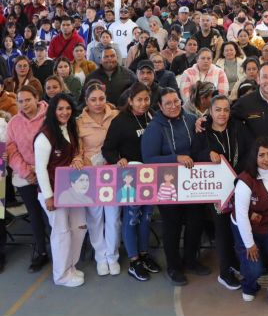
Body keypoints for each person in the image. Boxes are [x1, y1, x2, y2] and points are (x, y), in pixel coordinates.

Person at [141, 88, 211, 286]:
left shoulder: (191, 119)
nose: (173, 106)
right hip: (167, 184)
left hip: (192, 183)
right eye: (168, 103)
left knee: (195, 222)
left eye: (176, 101)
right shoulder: (154, 128)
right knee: (172, 226)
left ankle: (191, 260)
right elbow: (149, 159)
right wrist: (176, 159)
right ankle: (174, 266)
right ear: (160, 107)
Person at [102, 82, 161, 282]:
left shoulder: (152, 116)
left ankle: (144, 254)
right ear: (130, 100)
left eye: (146, 99)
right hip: (130, 178)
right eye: (139, 100)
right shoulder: (120, 121)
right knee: (131, 217)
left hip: (151, 176)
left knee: (146, 217)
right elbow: (107, 149)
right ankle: (134, 260)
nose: (143, 103)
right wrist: (117, 160)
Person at [195, 95, 251, 291]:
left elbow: (249, 152)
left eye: (226, 110)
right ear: (210, 111)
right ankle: (224, 272)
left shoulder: (238, 128)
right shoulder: (202, 132)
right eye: (217, 109)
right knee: (222, 230)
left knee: (237, 226)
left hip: (239, 185)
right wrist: (206, 154)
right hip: (216, 191)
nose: (222, 114)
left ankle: (235, 263)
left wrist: (240, 176)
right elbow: (194, 154)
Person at [231, 137, 268, 310]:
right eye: (261, 155)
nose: (266, 159)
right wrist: (250, 244)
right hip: (246, 229)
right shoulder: (245, 180)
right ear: (254, 157)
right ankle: (250, 285)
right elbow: (242, 216)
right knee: (255, 269)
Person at [34, 93, 86, 287]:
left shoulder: (71, 128)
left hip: (71, 191)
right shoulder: (45, 135)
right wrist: (48, 196)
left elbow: (74, 154)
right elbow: (40, 169)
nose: (64, 112)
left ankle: (70, 266)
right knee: (61, 233)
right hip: (54, 193)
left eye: (67, 108)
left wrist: (77, 159)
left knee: (79, 227)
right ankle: (61, 275)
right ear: (53, 111)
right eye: (60, 109)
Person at [76, 82, 122, 276]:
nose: (98, 103)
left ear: (106, 98)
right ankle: (100, 257)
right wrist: (78, 159)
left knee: (113, 219)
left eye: (101, 98)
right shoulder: (79, 121)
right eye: (93, 99)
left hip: (113, 172)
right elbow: (77, 149)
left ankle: (112, 256)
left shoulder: (116, 116)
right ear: (86, 101)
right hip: (90, 175)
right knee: (95, 219)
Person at [6, 86, 49, 273]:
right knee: (35, 216)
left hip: (49, 174)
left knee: (53, 215)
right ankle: (41, 252)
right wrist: (26, 172)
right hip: (25, 177)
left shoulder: (49, 117)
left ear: (37, 98)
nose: (24, 104)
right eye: (20, 101)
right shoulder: (14, 123)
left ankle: (61, 251)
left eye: (28, 100)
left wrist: (41, 172)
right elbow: (11, 150)